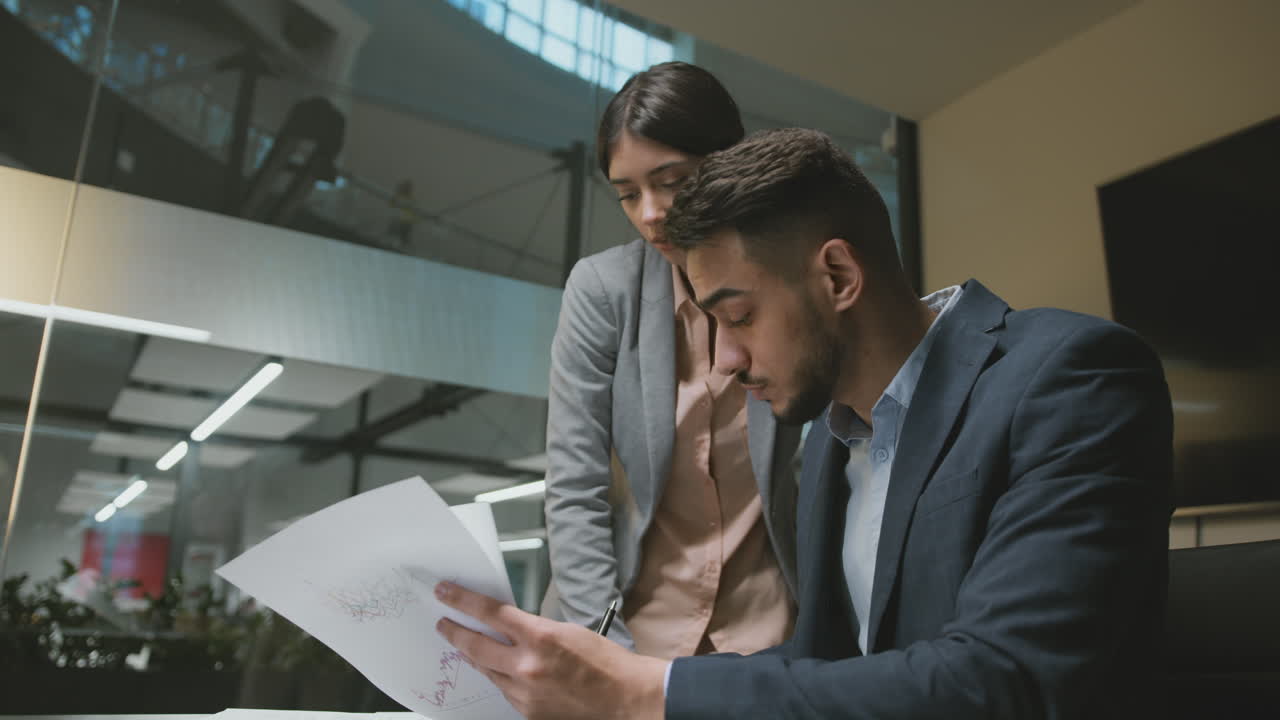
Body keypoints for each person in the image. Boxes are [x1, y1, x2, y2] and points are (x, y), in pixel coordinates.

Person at [435, 127, 1173, 719]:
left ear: (839, 278)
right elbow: (827, 664)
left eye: (738, 316)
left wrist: (644, 696)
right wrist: (625, 676)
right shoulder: (828, 441)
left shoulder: (1072, 376)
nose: (723, 361)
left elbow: (1003, 682)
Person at [540, 62, 801, 661]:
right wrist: (607, 652)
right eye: (628, 194)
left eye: (673, 181)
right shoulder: (604, 289)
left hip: (768, 638)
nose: (650, 212)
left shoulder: (789, 280)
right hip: (631, 632)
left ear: (728, 161)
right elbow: (574, 484)